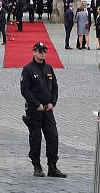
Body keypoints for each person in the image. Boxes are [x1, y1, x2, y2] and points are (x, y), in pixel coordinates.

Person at [20, 42, 66, 178]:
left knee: (53, 136)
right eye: (40, 51)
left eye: (44, 51)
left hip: (48, 109)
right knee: (36, 138)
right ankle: (37, 166)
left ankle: (52, 166)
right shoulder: (28, 69)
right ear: (33, 52)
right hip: (35, 110)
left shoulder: (48, 68)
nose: (42, 53)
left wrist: (53, 102)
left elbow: (55, 87)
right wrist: (36, 104)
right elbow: (25, 90)